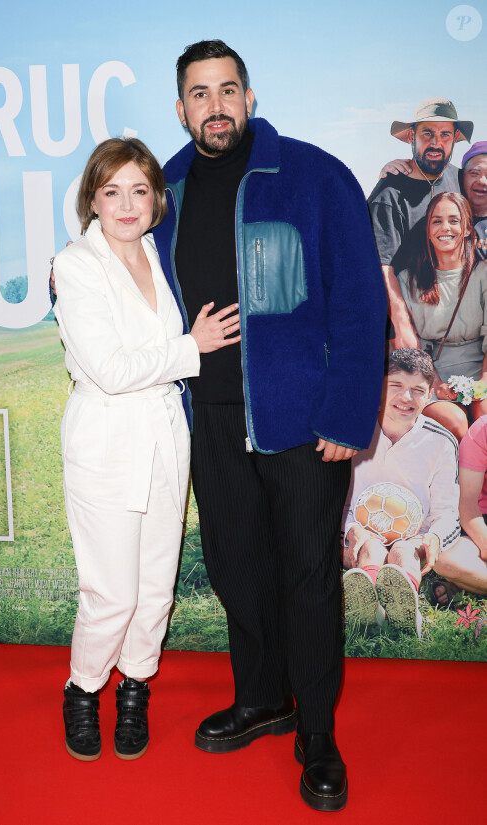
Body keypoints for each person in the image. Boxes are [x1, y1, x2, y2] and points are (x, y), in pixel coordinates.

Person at [151, 40, 387, 812]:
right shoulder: (167, 187)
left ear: (249, 98)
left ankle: (316, 730)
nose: (214, 106)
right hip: (209, 417)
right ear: (180, 106)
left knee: (310, 578)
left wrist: (350, 412)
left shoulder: (317, 176)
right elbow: (124, 267)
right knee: (236, 567)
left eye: (227, 90)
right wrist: (68, 275)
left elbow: (360, 307)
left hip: (304, 420)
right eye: (198, 94)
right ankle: (261, 696)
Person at [53, 138, 241, 762]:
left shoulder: (160, 252)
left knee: (156, 584)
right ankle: (83, 690)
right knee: (112, 591)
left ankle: (135, 688)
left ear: (157, 198)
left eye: (139, 190)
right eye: (112, 191)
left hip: (165, 433)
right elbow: (108, 368)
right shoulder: (77, 264)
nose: (127, 204)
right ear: (93, 200)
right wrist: (193, 347)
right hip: (106, 436)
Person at [342, 348, 460, 637]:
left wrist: (432, 538)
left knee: (403, 551)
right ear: (379, 386)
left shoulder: (441, 442)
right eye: (395, 386)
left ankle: (405, 614)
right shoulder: (353, 431)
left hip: (413, 538)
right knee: (369, 548)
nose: (406, 398)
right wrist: (350, 530)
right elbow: (330, 500)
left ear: (430, 393)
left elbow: (447, 513)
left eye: (418, 390)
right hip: (357, 534)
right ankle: (368, 612)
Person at [367, 99, 473, 349]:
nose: (436, 143)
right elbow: (384, 268)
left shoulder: (459, 179)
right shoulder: (389, 194)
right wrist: (402, 326)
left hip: (457, 324)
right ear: (412, 136)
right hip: (409, 324)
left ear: (455, 138)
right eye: (428, 133)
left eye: (445, 134)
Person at [396, 192, 487, 438]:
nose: (445, 227)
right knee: (455, 421)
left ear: (468, 228)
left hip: (481, 371)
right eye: (437, 221)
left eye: (454, 220)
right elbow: (410, 346)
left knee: (484, 417)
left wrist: (484, 382)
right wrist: (436, 383)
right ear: (427, 230)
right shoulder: (407, 280)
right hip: (431, 375)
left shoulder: (483, 274)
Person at [379, 139, 487, 261]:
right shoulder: (441, 208)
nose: (482, 181)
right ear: (462, 175)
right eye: (474, 173)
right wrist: (392, 173)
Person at [430, 414, 487, 605]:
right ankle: (471, 580)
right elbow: (467, 503)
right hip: (482, 521)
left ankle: (469, 583)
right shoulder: (482, 430)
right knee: (444, 559)